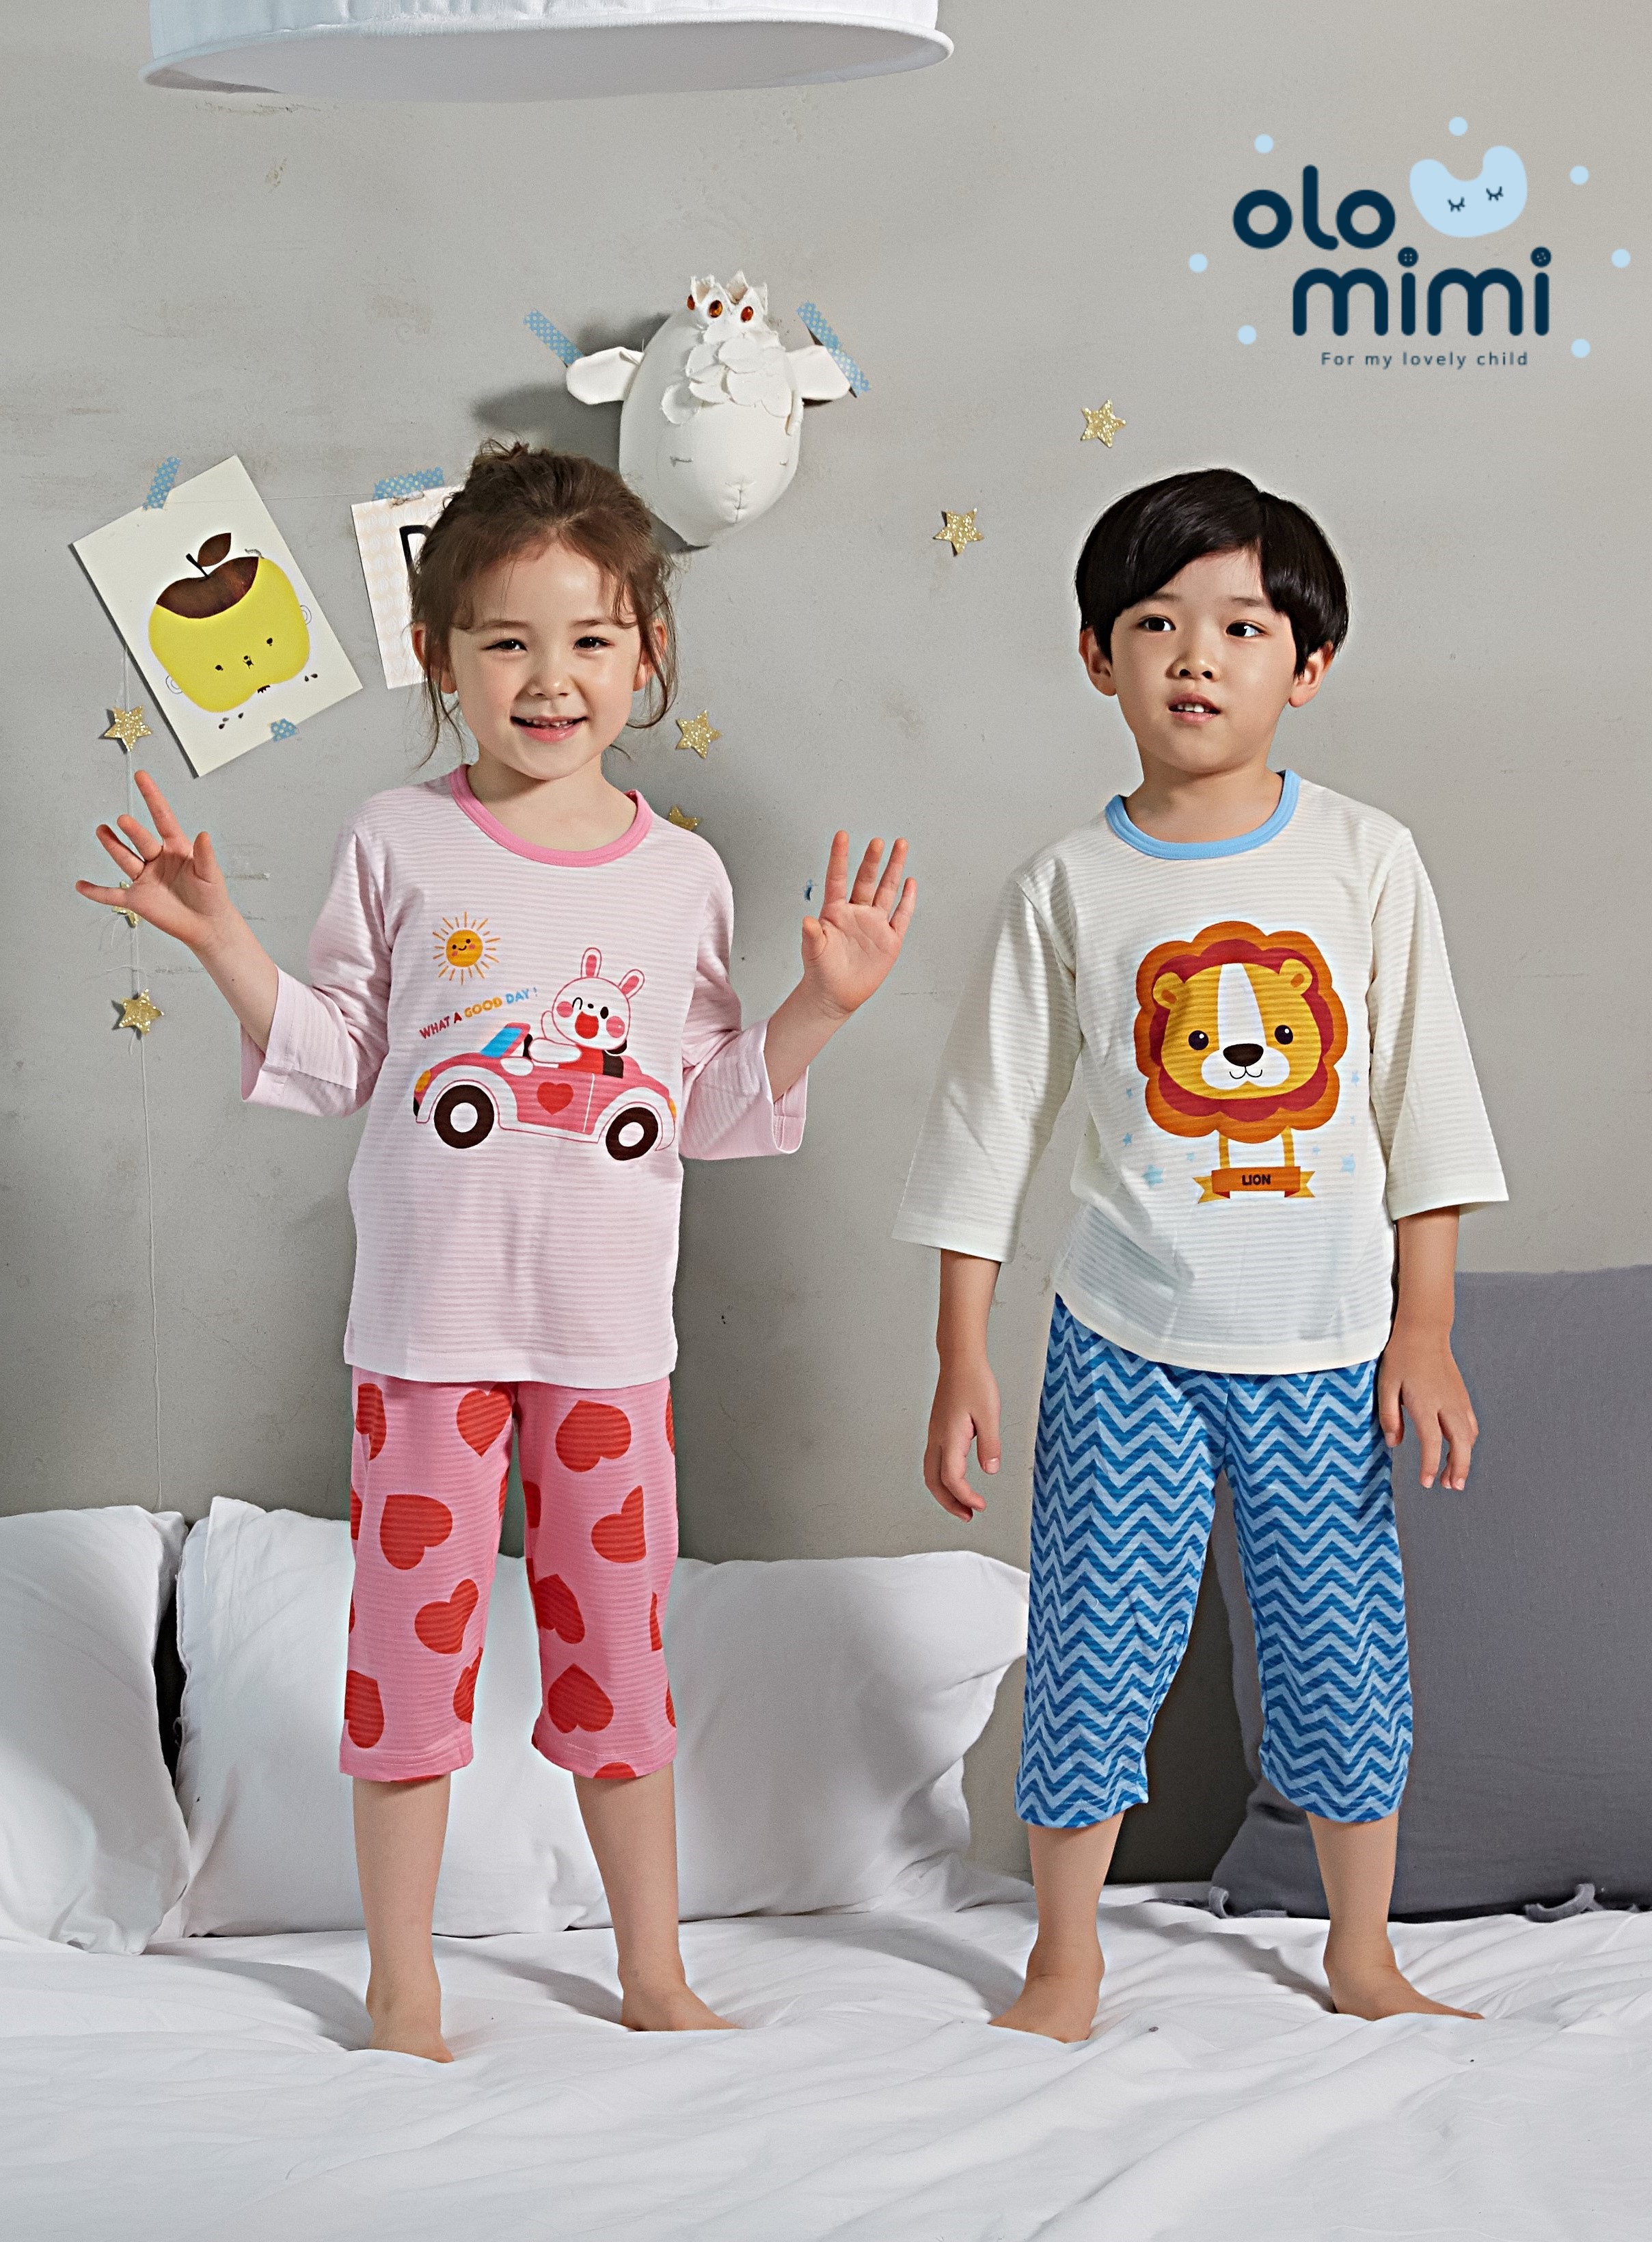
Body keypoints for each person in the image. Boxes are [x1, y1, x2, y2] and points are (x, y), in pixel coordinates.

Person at [77, 443, 915, 2061]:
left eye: (590, 638)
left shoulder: (679, 874)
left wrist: (821, 1004)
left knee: (619, 1658)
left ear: (645, 653)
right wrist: (225, 939)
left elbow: (699, 1104)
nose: (550, 678)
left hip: (607, 1349)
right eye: (507, 641)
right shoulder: (397, 838)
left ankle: (652, 1967)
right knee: (409, 1663)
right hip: (425, 1339)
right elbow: (340, 1055)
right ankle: (403, 1982)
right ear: (439, 655)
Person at [894, 468, 1504, 2041]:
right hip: (1124, 1342)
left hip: (1325, 1344)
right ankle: (1063, 1958)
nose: (1194, 656)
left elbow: (1422, 1101)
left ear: (1306, 663)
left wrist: (1422, 1325)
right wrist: (960, 1354)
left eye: (1239, 626)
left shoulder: (1364, 858)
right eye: (1155, 622)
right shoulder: (1067, 886)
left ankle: (1358, 1950)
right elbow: (984, 1128)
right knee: (1092, 1653)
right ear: (1095, 654)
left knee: (1339, 1653)